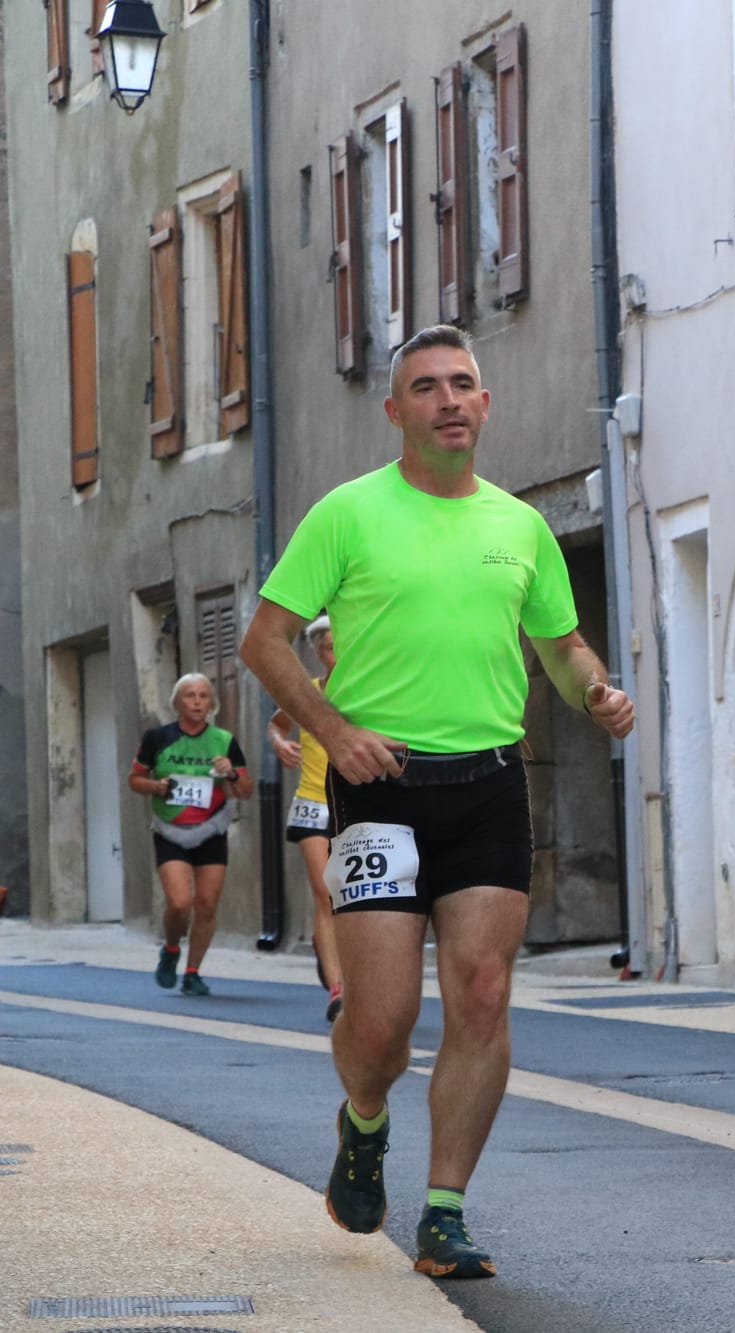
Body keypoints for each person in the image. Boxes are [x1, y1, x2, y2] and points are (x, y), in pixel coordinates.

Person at [240, 324, 633, 1281]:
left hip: (491, 782)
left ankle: (445, 1210)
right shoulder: (349, 513)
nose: (449, 400)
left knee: (485, 994)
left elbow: (562, 646)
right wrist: (335, 734)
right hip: (380, 789)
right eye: (427, 387)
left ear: (485, 403)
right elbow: (266, 640)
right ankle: (364, 1121)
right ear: (396, 410)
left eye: (464, 384)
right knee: (378, 1023)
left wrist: (595, 689)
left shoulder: (519, 526)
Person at [130, 672, 253, 996]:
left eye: (202, 696)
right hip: (170, 829)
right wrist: (155, 786)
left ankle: (193, 971)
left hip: (211, 828)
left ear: (211, 703)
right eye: (190, 696)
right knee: (180, 903)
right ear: (178, 702)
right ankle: (171, 948)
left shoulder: (224, 740)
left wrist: (230, 773)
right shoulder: (158, 738)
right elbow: (135, 779)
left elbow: (245, 790)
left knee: (207, 904)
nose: (197, 701)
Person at [269, 615, 345, 1023]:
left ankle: (336, 958)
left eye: (343, 644)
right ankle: (337, 991)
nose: (337, 652)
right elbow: (276, 725)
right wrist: (281, 743)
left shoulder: (372, 695)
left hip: (360, 807)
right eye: (329, 646)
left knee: (357, 898)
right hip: (313, 803)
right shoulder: (307, 694)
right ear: (318, 653)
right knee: (326, 894)